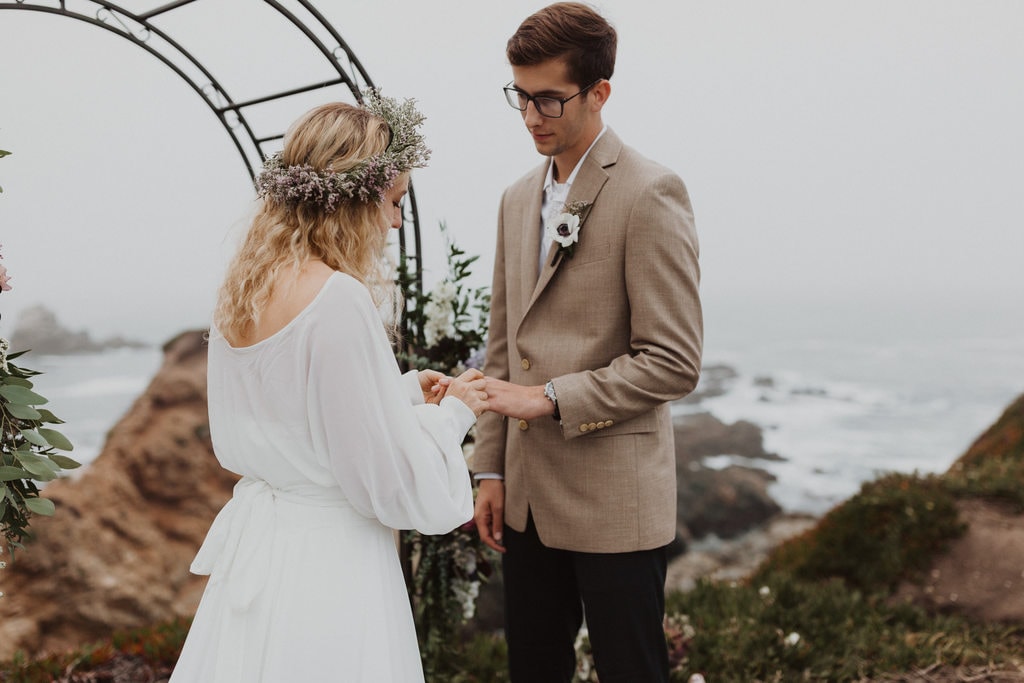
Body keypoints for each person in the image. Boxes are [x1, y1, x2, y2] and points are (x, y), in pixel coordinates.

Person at [169, 93, 487, 683]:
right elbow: (382, 480)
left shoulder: (244, 292)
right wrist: (454, 417)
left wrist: (401, 392)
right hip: (330, 567)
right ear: (352, 200)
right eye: (393, 204)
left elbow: (290, 421)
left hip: (262, 561)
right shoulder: (336, 299)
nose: (395, 222)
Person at [471, 3, 703, 681]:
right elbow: (502, 343)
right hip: (526, 500)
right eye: (521, 96)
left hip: (614, 501)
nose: (532, 116)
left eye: (549, 98)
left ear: (600, 91)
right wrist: (490, 468)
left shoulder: (650, 192)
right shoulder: (517, 198)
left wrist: (549, 397)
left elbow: (674, 360)